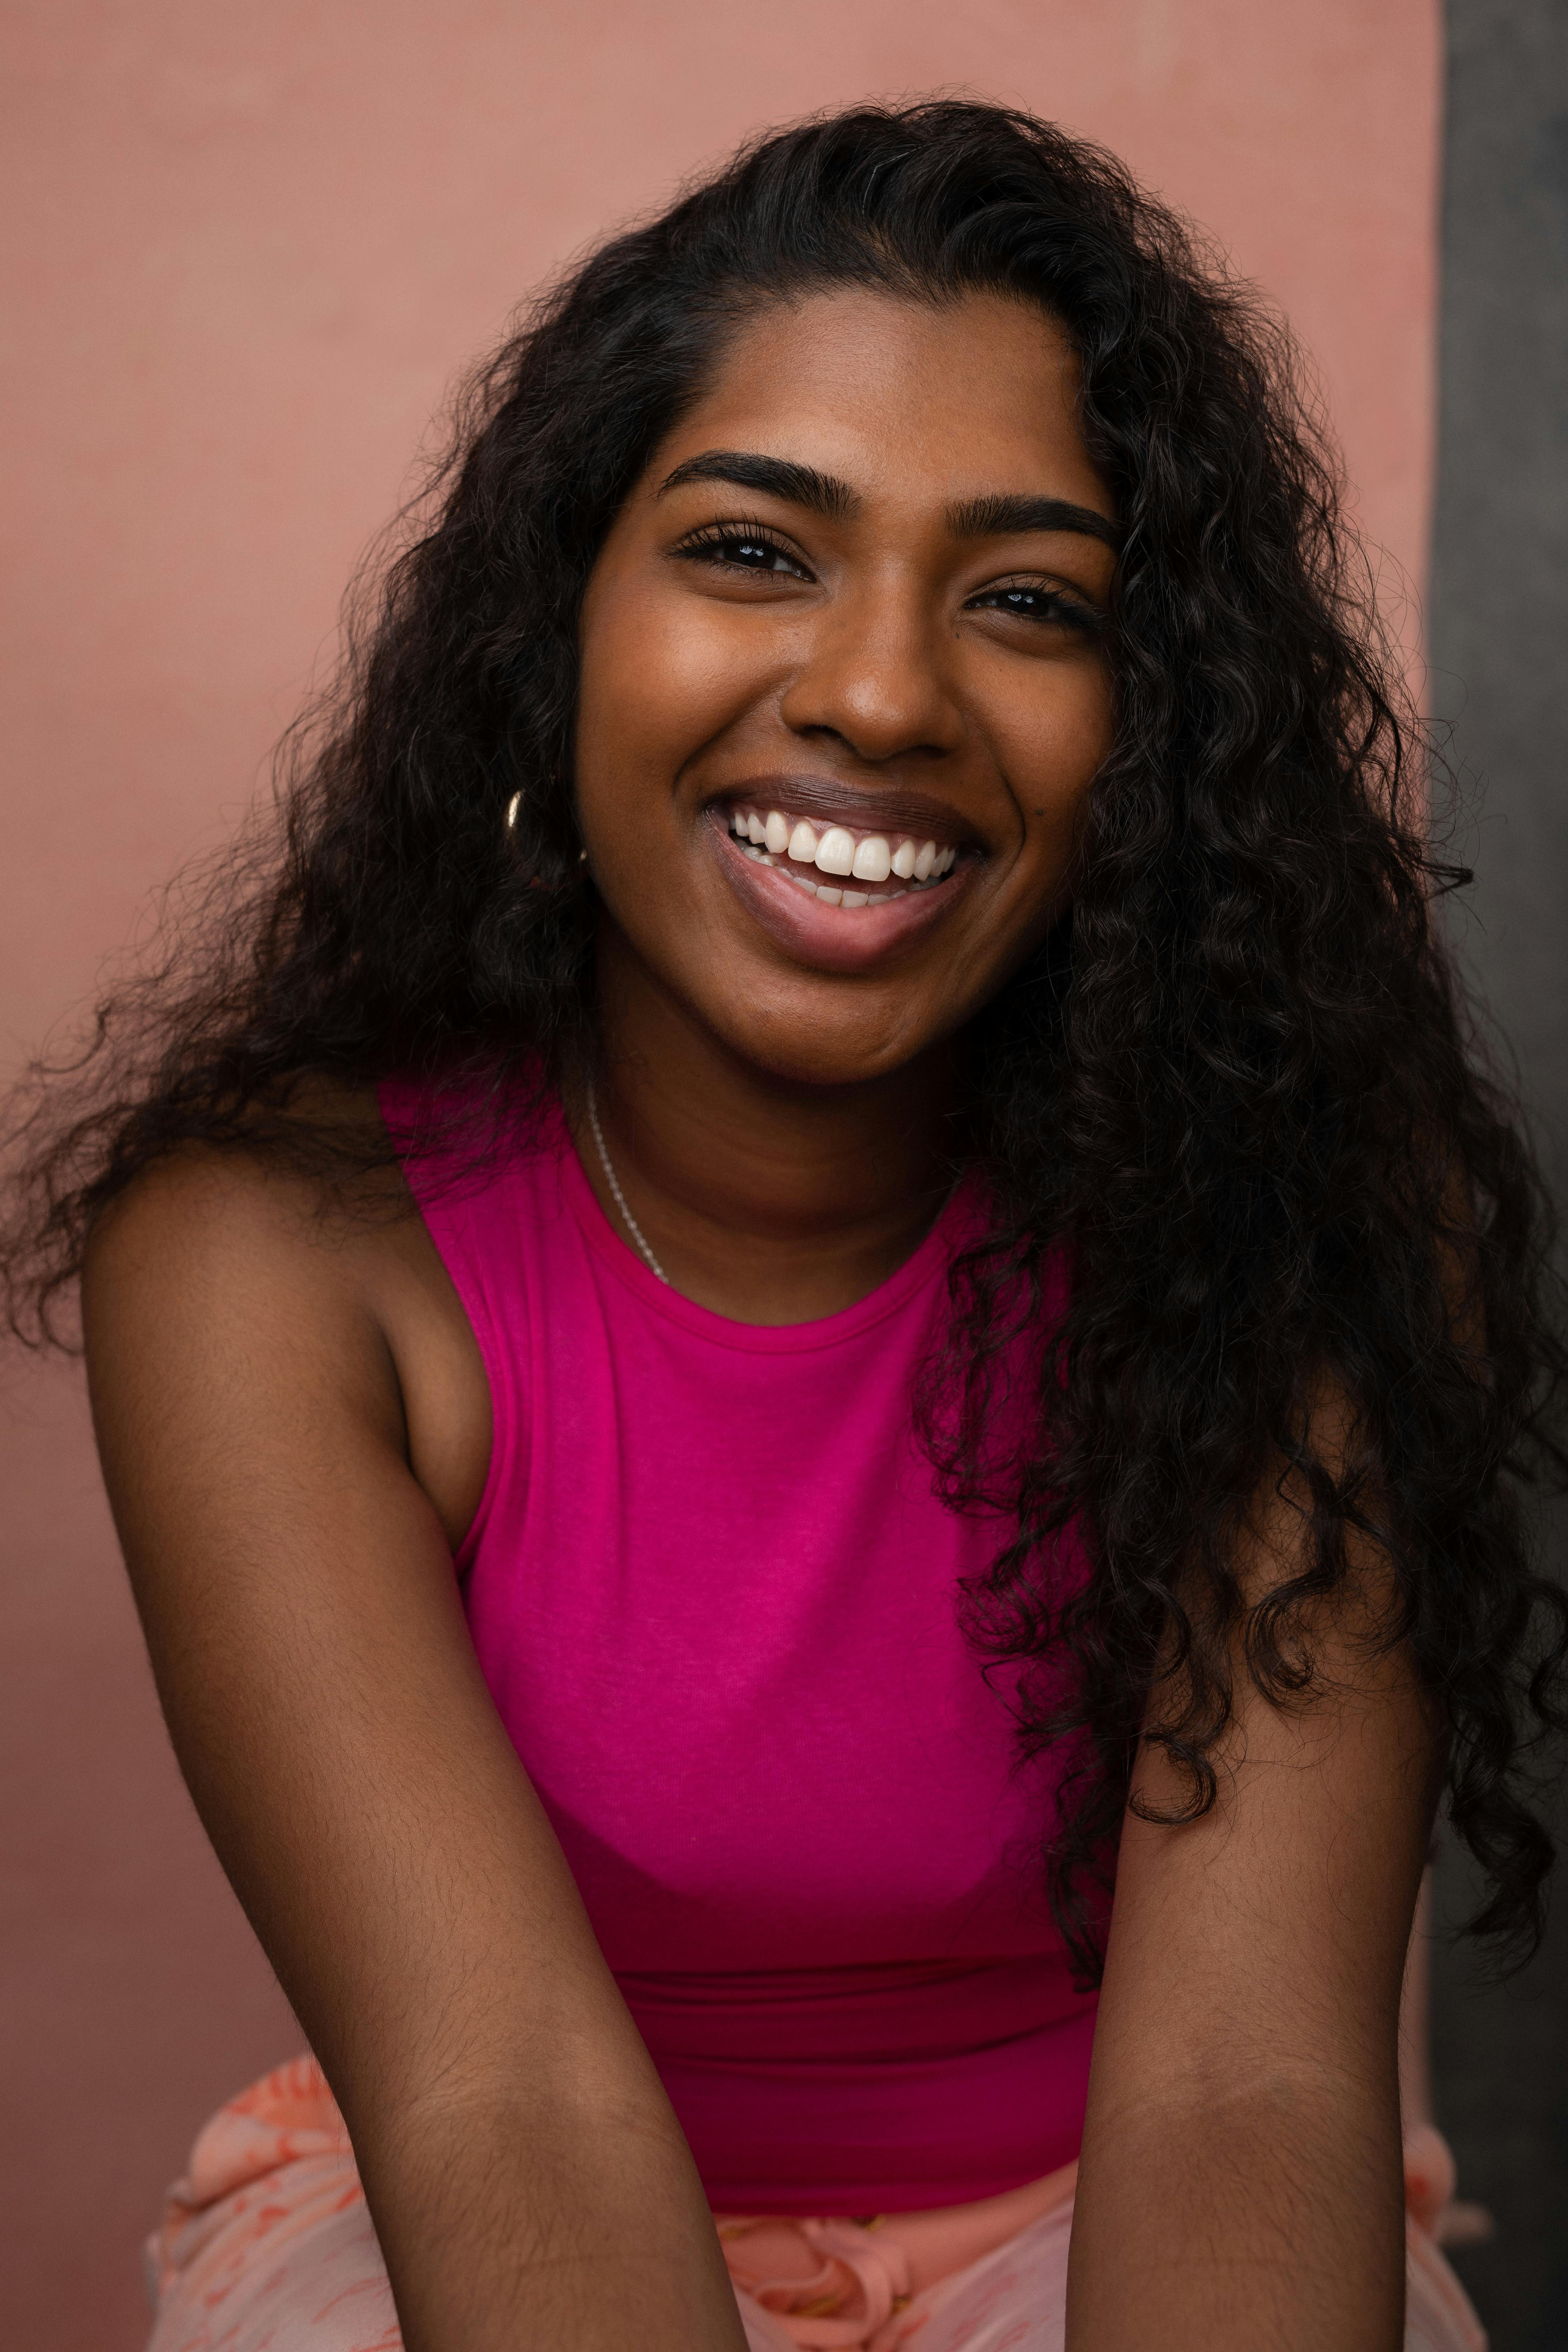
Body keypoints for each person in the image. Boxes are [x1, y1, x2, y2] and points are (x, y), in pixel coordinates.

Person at [4, 99, 1560, 2352]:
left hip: (1129, 2201)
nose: (881, 693)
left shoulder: (1302, 1219)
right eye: (753, 550)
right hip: (480, 2204)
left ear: (1152, 735)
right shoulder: (277, 1253)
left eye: (1028, 600)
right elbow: (503, 2107)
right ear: (557, 627)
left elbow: (1246, 2094)